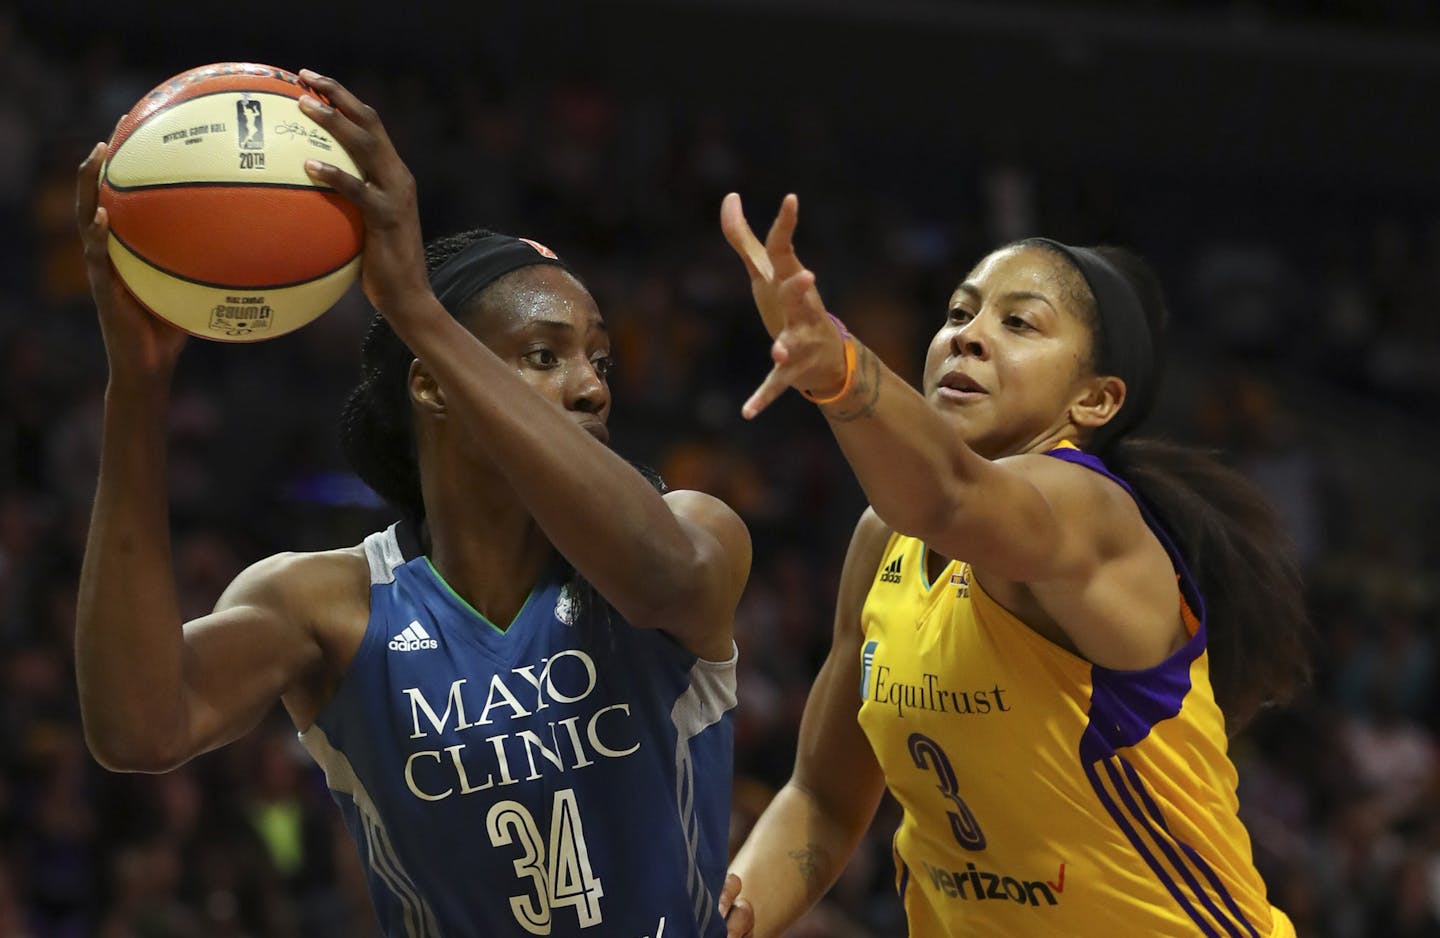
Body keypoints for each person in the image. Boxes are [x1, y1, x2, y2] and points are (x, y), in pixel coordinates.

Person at [73, 69, 751, 938]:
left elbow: (660, 579)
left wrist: (416, 309)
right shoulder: (326, 606)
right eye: (545, 356)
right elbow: (137, 731)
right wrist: (136, 387)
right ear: (434, 386)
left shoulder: (697, 531)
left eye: (600, 362)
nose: (590, 388)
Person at [714, 194, 1311, 937]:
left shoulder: (1091, 513)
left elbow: (953, 497)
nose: (968, 338)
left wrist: (838, 367)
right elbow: (824, 801)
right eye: (959, 313)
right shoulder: (883, 540)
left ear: (1094, 401)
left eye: (1018, 322)